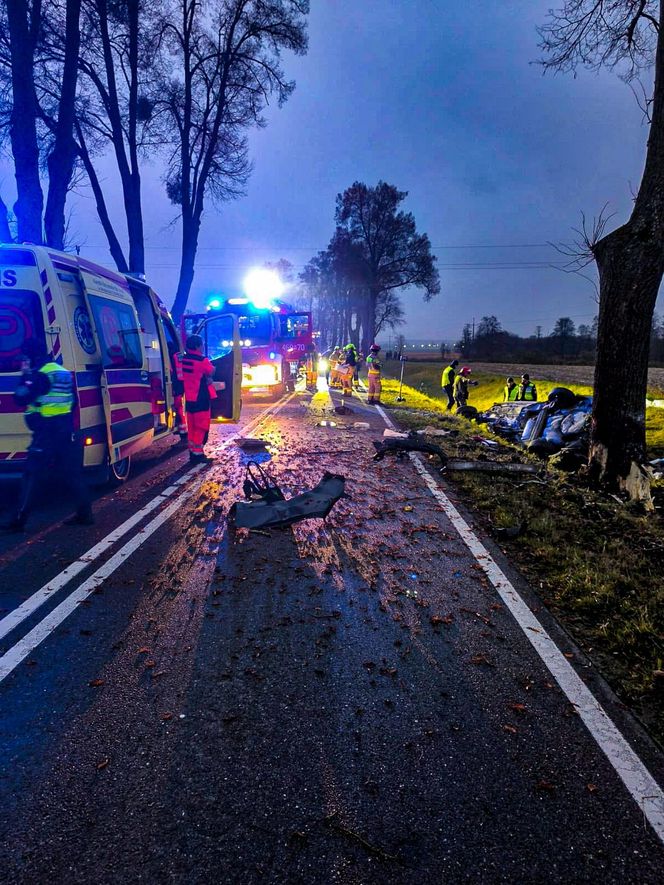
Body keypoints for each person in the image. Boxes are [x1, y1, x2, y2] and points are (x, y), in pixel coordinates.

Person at [3, 340, 93, 532]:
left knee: (32, 475)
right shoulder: (62, 372)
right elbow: (73, 402)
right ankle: (85, 514)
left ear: (32, 357)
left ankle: (18, 521)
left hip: (46, 433)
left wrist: (25, 376)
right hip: (65, 429)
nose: (24, 362)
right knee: (72, 474)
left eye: (25, 358)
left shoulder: (39, 375)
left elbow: (20, 398)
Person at [175, 334, 218, 463]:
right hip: (201, 398)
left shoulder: (183, 359)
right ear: (198, 346)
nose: (203, 347)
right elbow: (211, 371)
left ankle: (192, 452)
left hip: (189, 398)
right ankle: (198, 454)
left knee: (192, 426)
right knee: (201, 426)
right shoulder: (202, 360)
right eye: (202, 344)